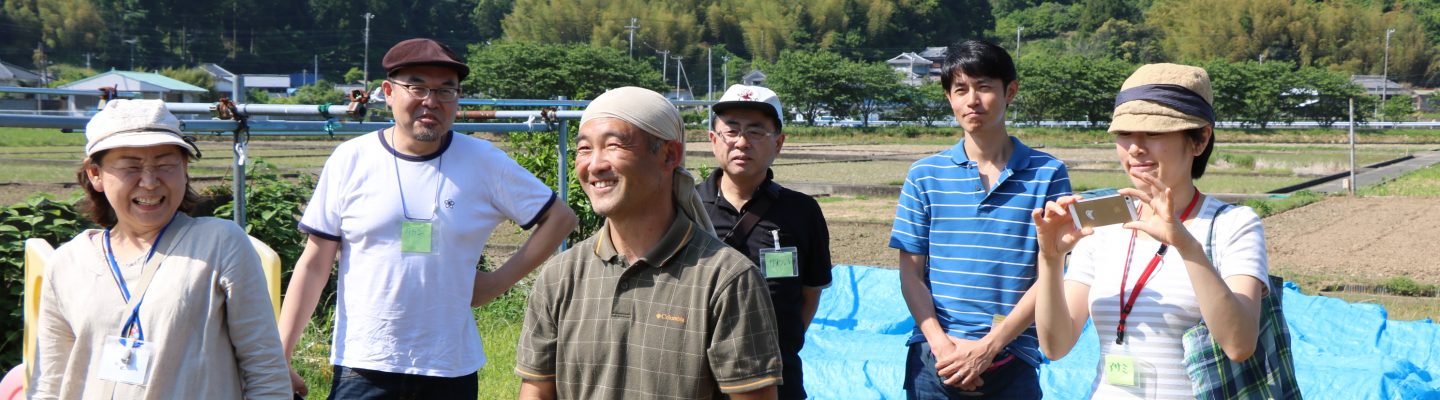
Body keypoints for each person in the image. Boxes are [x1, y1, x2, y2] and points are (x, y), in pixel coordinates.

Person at [276, 38, 578, 398]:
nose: (431, 101)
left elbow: (560, 218)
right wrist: (281, 353)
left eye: (445, 90)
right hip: (364, 364)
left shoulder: (483, 161)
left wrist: (497, 282)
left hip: (448, 367)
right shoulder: (351, 159)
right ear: (388, 92)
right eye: (417, 87)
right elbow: (314, 263)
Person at [515, 86, 783, 400]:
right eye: (585, 149)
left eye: (613, 145)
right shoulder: (561, 275)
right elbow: (536, 391)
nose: (595, 164)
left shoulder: (726, 279)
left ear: (669, 155)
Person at [1031, 63, 1269, 399]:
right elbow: (1055, 346)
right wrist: (1051, 259)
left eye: (1154, 133)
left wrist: (1186, 245)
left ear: (1200, 139)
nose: (1136, 148)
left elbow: (1239, 344)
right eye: (1125, 134)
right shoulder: (1102, 224)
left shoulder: (1234, 224)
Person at [36, 99, 291, 399]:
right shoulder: (68, 262)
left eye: (165, 164)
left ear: (184, 167)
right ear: (96, 175)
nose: (149, 181)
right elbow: (50, 382)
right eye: (131, 166)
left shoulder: (219, 244)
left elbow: (265, 369)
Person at [888, 39, 1071, 399]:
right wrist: (944, 349)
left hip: (1010, 359)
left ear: (1010, 92)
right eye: (961, 89)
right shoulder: (925, 175)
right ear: (949, 98)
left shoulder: (1048, 174)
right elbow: (911, 273)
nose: (972, 100)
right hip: (934, 360)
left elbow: (1053, 272)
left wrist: (988, 346)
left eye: (984, 87)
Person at [698, 84, 832, 399]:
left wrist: (777, 342)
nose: (742, 142)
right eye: (731, 131)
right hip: (698, 377)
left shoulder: (802, 211)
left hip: (779, 375)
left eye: (756, 132)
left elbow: (809, 293)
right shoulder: (686, 207)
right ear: (713, 139)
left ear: (779, 143)